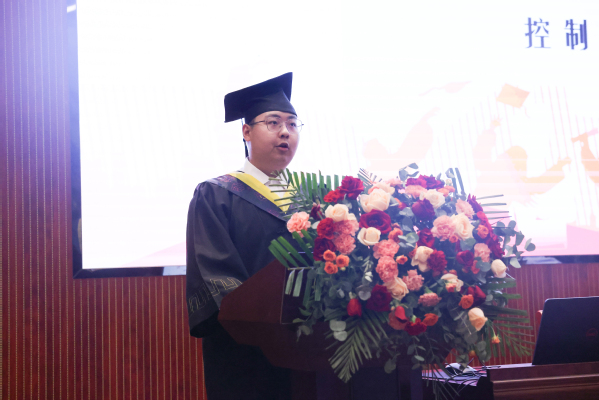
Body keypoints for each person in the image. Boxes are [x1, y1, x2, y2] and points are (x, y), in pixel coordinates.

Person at [185, 73, 302, 400]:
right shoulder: (216, 194)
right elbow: (216, 278)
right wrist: (268, 323)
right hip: (245, 356)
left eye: (293, 124)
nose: (285, 131)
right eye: (273, 122)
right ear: (246, 131)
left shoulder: (312, 200)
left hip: (310, 352)